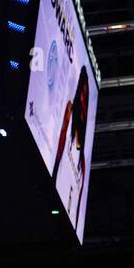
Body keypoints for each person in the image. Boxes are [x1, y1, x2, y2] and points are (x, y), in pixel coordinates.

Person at [51, 66, 91, 230]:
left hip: (62, 222)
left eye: (85, 96)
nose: (82, 99)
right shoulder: (66, 122)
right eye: (81, 92)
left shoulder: (83, 162)